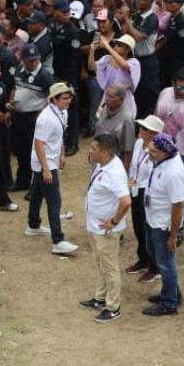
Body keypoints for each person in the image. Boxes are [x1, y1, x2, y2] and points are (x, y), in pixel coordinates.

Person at [79, 133, 131, 324]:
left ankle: (113, 307)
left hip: (106, 230)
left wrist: (114, 222)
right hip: (95, 226)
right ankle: (100, 298)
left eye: (94, 149)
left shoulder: (114, 173)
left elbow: (126, 201)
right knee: (101, 263)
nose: (91, 152)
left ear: (105, 152)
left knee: (110, 268)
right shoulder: (104, 165)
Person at [27, 82, 79, 256]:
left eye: (69, 97)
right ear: (54, 99)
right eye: (64, 98)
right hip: (44, 162)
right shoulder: (45, 118)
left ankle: (33, 224)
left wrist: (62, 154)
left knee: (37, 194)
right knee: (54, 200)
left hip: (51, 160)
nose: (68, 101)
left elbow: (60, 135)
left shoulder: (63, 112)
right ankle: (58, 240)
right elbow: (39, 143)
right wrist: (46, 169)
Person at [142, 133, 184, 317]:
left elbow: (178, 206)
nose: (149, 154)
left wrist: (173, 235)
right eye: (149, 149)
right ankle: (172, 292)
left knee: (165, 263)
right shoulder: (161, 161)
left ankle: (169, 303)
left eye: (153, 151)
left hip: (163, 226)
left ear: (165, 152)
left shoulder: (173, 173)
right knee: (156, 256)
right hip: (153, 219)